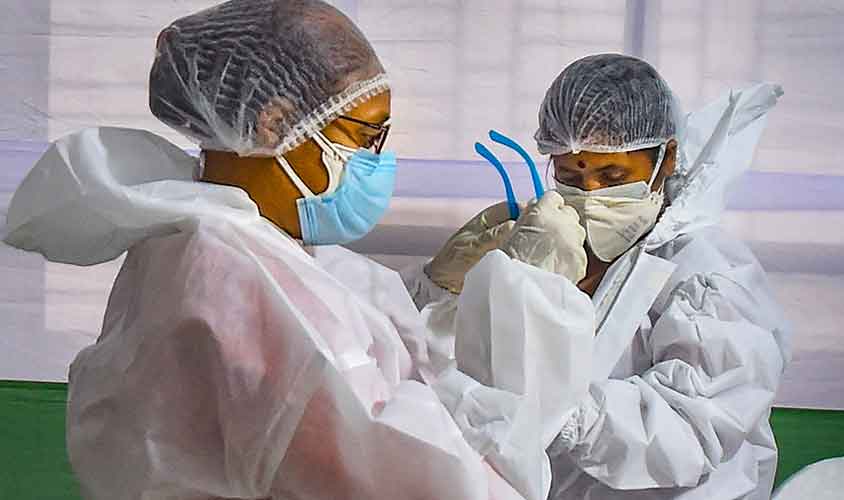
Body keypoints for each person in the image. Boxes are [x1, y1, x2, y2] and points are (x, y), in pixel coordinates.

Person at [2, 1, 596, 499]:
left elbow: (365, 347)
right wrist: (535, 296)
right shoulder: (230, 278)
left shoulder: (221, 240)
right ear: (272, 123)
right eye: (367, 135)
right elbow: (433, 482)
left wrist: (440, 288)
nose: (379, 161)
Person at [406, 54, 792, 499]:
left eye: (613, 175)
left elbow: (690, 432)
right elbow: (459, 370)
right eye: (571, 174)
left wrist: (558, 408)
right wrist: (444, 285)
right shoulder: (553, 247)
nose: (590, 196)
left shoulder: (710, 277)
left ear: (666, 159)